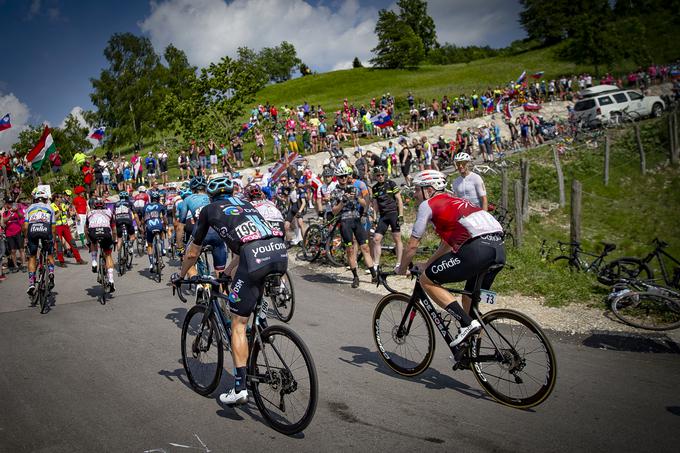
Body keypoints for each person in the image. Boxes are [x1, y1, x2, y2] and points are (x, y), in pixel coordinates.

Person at [171, 176, 287, 406]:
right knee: (247, 302)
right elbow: (248, 244)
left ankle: (240, 388)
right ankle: (261, 331)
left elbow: (192, 253)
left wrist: (181, 276)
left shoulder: (208, 210)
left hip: (254, 259)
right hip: (279, 254)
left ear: (210, 196)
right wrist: (227, 273)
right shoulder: (246, 204)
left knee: (238, 323)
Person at [396, 170, 505, 350]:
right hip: (498, 249)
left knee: (426, 281)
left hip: (477, 249)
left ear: (429, 190)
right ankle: (472, 351)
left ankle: (466, 324)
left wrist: (402, 268)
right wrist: (428, 264)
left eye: (417, 189)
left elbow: (413, 245)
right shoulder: (458, 201)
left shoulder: (428, 204)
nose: (415, 194)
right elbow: (447, 244)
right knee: (469, 300)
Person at [331, 167, 376, 288]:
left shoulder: (355, 188)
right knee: (350, 250)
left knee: (365, 248)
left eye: (345, 176)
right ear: (337, 178)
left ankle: (374, 274)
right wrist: (342, 202)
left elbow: (365, 203)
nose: (344, 178)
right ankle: (355, 277)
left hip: (356, 219)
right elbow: (334, 211)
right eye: (341, 177)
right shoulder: (335, 192)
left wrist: (357, 198)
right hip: (345, 221)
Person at [176, 176, 228, 279]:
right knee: (221, 274)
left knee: (186, 258)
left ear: (192, 189)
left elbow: (180, 227)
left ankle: (196, 281)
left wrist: (180, 247)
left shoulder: (187, 199)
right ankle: (223, 290)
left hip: (200, 234)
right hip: (217, 234)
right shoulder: (213, 197)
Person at [370, 166, 404, 274]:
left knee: (397, 239)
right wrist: (375, 219)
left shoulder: (391, 184)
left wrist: (401, 215)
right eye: (378, 175)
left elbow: (399, 200)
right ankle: (376, 265)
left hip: (393, 213)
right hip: (383, 216)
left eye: (382, 174)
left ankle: (398, 264)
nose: (380, 177)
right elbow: (375, 205)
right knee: (376, 239)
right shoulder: (374, 188)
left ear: (385, 174)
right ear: (375, 176)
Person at [23, 189, 56, 296]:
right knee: (49, 253)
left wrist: (26, 237)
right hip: (46, 230)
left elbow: (25, 226)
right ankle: (51, 272)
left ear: (35, 199)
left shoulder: (29, 208)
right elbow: (53, 227)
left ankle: (32, 283)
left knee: (32, 257)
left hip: (32, 230)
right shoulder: (50, 208)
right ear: (46, 199)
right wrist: (53, 239)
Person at [86, 197, 117, 292]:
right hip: (106, 232)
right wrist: (114, 240)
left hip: (93, 232)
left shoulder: (90, 213)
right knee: (108, 255)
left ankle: (94, 261)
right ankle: (111, 280)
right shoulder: (109, 212)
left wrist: (88, 241)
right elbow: (114, 229)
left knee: (93, 242)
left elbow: (86, 229)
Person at [51, 192, 85, 266]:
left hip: (65, 226)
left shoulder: (63, 205)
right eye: (60, 197)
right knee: (59, 244)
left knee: (72, 242)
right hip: (57, 227)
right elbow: (53, 218)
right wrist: (59, 212)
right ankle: (61, 262)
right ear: (56, 198)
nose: (61, 198)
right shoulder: (51, 206)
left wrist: (70, 213)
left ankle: (79, 259)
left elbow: (68, 215)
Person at [142, 191, 167, 272]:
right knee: (162, 232)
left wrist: (143, 229)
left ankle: (151, 263)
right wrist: (165, 226)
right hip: (158, 225)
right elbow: (164, 218)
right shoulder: (161, 205)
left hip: (149, 226)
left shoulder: (145, 207)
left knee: (149, 245)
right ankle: (163, 248)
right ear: (158, 199)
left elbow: (143, 219)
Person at [2, 200, 26, 272]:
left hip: (18, 232)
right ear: (6, 204)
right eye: (9, 203)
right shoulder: (5, 212)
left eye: (11, 203)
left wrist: (17, 211)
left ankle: (23, 264)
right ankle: (15, 266)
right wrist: (11, 214)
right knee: (12, 251)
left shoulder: (17, 210)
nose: (11, 204)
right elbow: (4, 220)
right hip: (9, 233)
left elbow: (22, 216)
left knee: (21, 249)